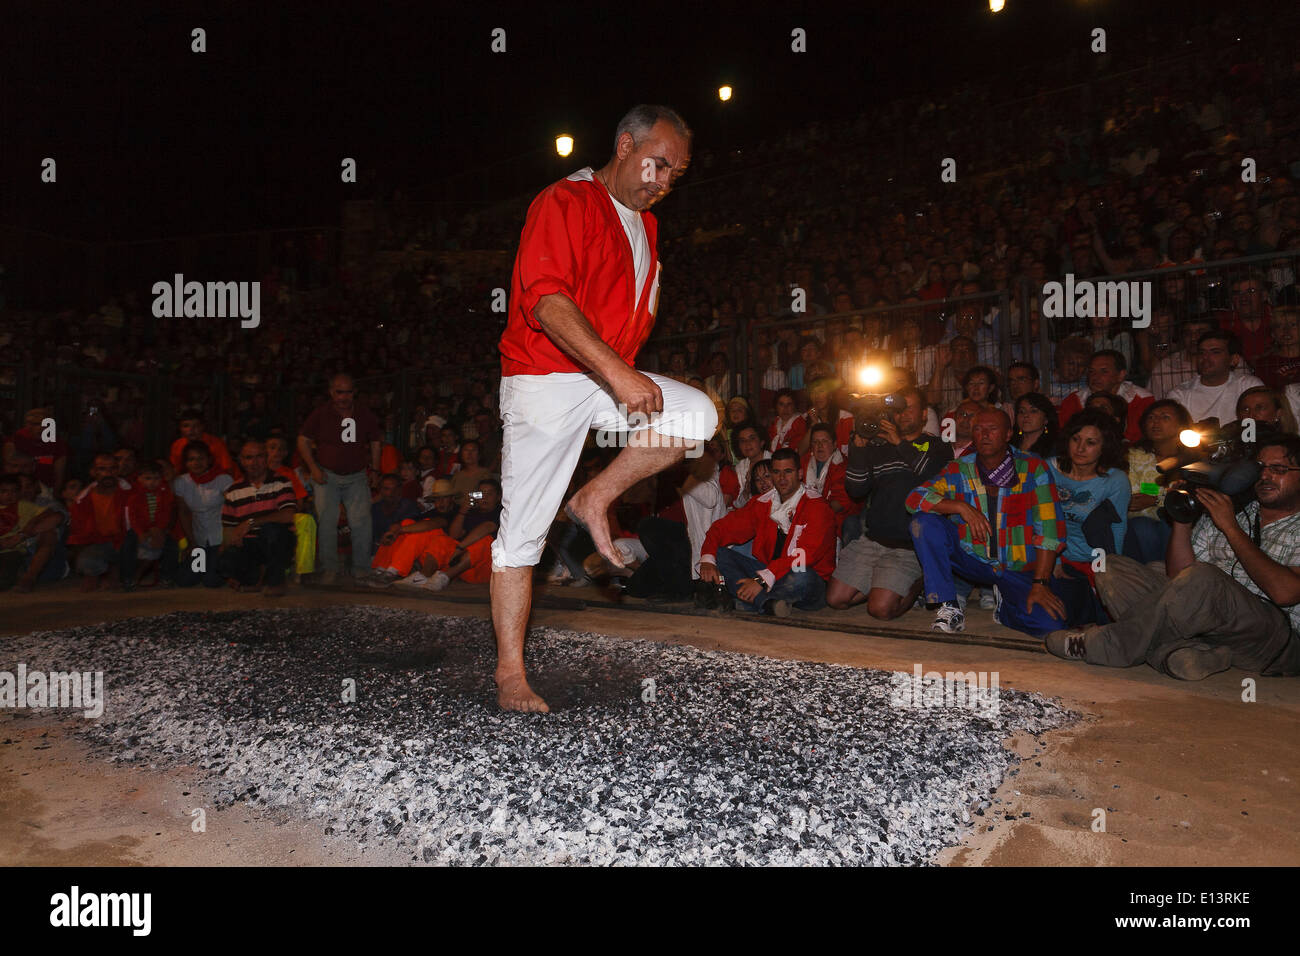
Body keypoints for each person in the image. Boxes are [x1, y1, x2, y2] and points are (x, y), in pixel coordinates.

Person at [492, 104, 714, 712]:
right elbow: (547, 302)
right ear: (624, 144)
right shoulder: (563, 202)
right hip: (545, 377)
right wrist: (617, 372)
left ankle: (594, 497)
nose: (665, 182)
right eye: (658, 165)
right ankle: (511, 674)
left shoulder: (647, 223)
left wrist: (617, 372)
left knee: (697, 417)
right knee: (521, 538)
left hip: (603, 375)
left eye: (676, 174)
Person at [1046, 435, 1300, 681]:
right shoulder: (1234, 509)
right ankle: (1183, 654)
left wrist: (1231, 529)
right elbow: (1179, 576)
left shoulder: (1243, 519)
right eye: (1260, 468)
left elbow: (1285, 593)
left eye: (1278, 469)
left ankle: (1112, 643)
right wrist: (1182, 518)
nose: (1265, 476)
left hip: (1272, 637)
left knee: (1204, 576)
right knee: (1111, 567)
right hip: (1206, 625)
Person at [906, 408, 1073, 636]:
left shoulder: (1033, 469)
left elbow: (1050, 532)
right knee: (924, 522)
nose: (984, 435)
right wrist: (960, 507)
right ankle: (949, 605)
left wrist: (1041, 583)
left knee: (1050, 626)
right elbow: (914, 498)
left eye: (992, 429)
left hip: (1017, 567)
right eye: (978, 429)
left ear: (1008, 434)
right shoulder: (959, 468)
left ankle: (1004, 607)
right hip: (974, 558)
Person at [827, 386, 952, 617]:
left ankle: (923, 579)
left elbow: (930, 475)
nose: (902, 414)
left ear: (924, 414)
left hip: (908, 547)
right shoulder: (880, 447)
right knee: (836, 599)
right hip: (873, 540)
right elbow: (855, 490)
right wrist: (859, 451)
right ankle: (882, 582)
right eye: (898, 409)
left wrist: (900, 444)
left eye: (909, 409)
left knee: (880, 609)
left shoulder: (936, 446)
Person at [698, 448, 837, 616]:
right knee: (719, 555)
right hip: (769, 571)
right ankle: (766, 603)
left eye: (788, 471)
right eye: (776, 472)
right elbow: (722, 528)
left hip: (804, 575)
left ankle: (749, 600)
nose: (782, 478)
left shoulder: (817, 506)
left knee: (801, 576)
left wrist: (760, 580)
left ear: (800, 474)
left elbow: (804, 556)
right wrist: (707, 559)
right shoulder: (762, 503)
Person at [297, 372, 383, 586]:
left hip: (357, 476)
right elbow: (302, 441)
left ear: (354, 392)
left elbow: (375, 442)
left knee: (361, 522)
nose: (343, 397)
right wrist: (313, 468)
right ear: (331, 392)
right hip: (328, 476)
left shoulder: (364, 414)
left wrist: (375, 470)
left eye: (348, 392)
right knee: (326, 523)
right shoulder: (320, 414)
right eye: (339, 392)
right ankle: (329, 569)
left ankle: (361, 569)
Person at [1047, 409, 1130, 585]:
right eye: (1075, 439)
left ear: (1104, 447)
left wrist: (1104, 573)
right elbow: (1040, 521)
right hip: (1051, 556)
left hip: (1092, 560)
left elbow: (1117, 528)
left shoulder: (1115, 480)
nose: (1080, 448)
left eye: (1090, 442)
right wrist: (1053, 561)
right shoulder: (1048, 470)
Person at [219, 441, 298, 597]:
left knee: (272, 531)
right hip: (250, 545)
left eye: (259, 457)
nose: (254, 463)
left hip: (274, 541)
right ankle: (257, 578)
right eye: (248, 458)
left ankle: (276, 581)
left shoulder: (281, 482)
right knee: (223, 560)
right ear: (241, 461)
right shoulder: (234, 490)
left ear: (266, 458)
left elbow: (288, 514)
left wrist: (250, 523)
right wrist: (232, 541)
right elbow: (228, 528)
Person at [1124, 399, 1192, 564]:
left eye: (1165, 417)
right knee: (1142, 527)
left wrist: (1155, 499)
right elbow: (1134, 495)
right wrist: (1162, 496)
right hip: (1139, 521)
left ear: (1181, 425)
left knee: (1169, 526)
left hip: (1179, 522)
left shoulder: (1192, 457)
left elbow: (1189, 500)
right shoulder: (1134, 455)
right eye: (1151, 417)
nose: (1155, 422)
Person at [1166, 330, 1264, 426]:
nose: (1205, 357)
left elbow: (1260, 425)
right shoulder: (1180, 394)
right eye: (1201, 352)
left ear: (1234, 360)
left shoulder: (1248, 386)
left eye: (1215, 352)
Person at [65, 453, 132, 591]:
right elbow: (78, 535)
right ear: (93, 472)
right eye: (102, 469)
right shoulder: (83, 500)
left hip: (128, 542)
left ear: (118, 470)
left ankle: (119, 573)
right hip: (100, 544)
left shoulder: (131, 492)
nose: (108, 473)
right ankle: (108, 571)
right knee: (86, 563)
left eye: (113, 468)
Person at [172, 441, 234, 588]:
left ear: (209, 459)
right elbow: (184, 513)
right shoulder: (182, 482)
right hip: (199, 540)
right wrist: (191, 542)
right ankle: (206, 566)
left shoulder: (223, 480)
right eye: (191, 459)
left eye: (200, 458)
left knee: (211, 581)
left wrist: (228, 540)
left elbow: (233, 510)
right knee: (185, 580)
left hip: (220, 539)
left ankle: (222, 567)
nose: (196, 463)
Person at [1056, 349, 1152, 442]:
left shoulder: (1142, 400)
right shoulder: (1073, 400)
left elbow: (1140, 438)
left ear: (1121, 375)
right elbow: (1065, 437)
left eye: (1104, 371)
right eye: (1091, 371)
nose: (1095, 377)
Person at [0, 473, 63, 593]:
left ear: (37, 487)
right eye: (4, 491)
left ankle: (28, 578)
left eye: (27, 486)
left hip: (19, 550)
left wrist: (23, 533)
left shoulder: (35, 505)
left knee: (49, 533)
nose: (24, 491)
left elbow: (56, 516)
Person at [121, 460, 178, 590]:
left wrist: (158, 530)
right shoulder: (134, 495)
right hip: (139, 529)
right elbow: (133, 518)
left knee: (172, 546)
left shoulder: (165, 493)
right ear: (139, 478)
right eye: (147, 478)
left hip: (158, 528)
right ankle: (128, 578)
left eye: (156, 478)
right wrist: (141, 532)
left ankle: (166, 577)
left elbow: (166, 514)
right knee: (128, 545)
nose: (152, 482)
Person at [168, 409, 234, 476]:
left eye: (196, 426)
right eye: (186, 426)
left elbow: (228, 470)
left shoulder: (216, 443)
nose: (191, 430)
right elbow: (175, 470)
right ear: (180, 428)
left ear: (202, 427)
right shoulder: (177, 445)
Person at [1013, 392, 1059, 458]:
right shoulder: (1009, 446)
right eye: (1021, 411)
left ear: (1046, 419)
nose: (1025, 415)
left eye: (1033, 411)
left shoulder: (1055, 449)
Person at [768, 388, 806, 452]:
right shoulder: (774, 424)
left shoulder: (800, 423)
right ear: (776, 407)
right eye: (781, 404)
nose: (785, 408)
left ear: (794, 406)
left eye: (789, 404)